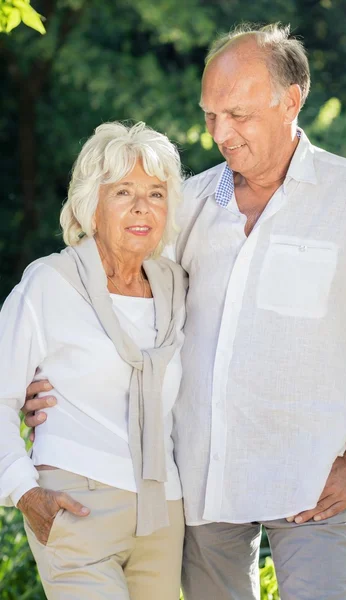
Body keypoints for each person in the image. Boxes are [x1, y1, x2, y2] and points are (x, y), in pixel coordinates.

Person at [23, 23, 346, 600]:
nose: (221, 133)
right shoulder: (188, 203)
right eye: (210, 115)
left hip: (314, 486)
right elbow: (126, 310)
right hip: (202, 493)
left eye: (239, 115)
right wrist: (49, 381)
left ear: (292, 100)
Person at [0, 121, 187, 599]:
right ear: (91, 206)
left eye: (156, 193)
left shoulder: (176, 287)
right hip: (76, 505)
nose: (142, 206)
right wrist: (24, 492)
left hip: (163, 512)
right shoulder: (50, 282)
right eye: (123, 191)